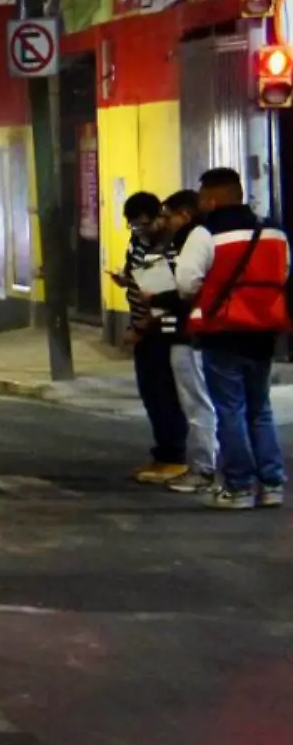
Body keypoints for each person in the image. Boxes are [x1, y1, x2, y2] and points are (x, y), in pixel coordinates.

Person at [173, 167, 288, 510]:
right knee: (260, 409)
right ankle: (271, 484)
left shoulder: (204, 234)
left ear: (210, 198)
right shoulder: (274, 232)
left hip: (222, 330)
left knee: (230, 409)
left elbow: (186, 282)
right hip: (265, 329)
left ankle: (238, 487)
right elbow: (283, 273)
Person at [148, 190, 220, 494]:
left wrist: (156, 296)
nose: (165, 221)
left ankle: (203, 468)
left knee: (197, 402)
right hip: (197, 331)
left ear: (185, 215)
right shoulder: (193, 239)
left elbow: (187, 286)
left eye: (169, 215)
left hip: (189, 333)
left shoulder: (195, 240)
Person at [115, 192, 188, 484]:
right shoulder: (139, 243)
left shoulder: (169, 247)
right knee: (151, 393)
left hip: (163, 329)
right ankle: (163, 454)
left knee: (164, 393)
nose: (140, 231)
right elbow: (139, 276)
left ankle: (174, 456)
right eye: (133, 226)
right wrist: (125, 278)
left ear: (159, 216)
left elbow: (164, 294)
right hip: (143, 326)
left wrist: (142, 328)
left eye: (144, 224)